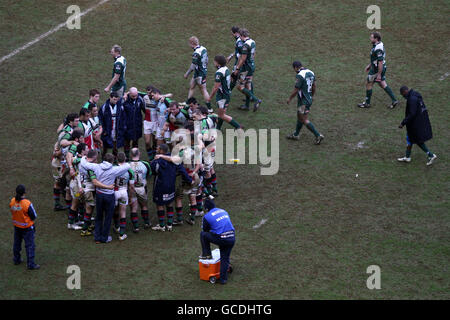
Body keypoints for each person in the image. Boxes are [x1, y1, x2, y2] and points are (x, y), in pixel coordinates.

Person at [80, 153, 132, 243]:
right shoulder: (114, 169)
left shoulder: (96, 167)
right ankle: (104, 237)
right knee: (108, 217)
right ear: (112, 161)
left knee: (99, 216)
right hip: (109, 195)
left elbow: (84, 164)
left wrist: (84, 157)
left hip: (99, 194)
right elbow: (127, 166)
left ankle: (97, 238)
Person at [150, 144, 193, 232]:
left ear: (162, 151)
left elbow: (152, 170)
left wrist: (153, 160)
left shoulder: (157, 161)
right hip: (171, 185)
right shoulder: (174, 159)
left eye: (157, 148)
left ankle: (162, 226)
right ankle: (169, 225)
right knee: (169, 203)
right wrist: (189, 180)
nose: (156, 148)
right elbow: (182, 170)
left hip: (160, 186)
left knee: (160, 205)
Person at [286, 60, 324, 145]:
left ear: (296, 67)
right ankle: (295, 134)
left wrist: (290, 98)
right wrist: (312, 96)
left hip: (303, 101)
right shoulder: (311, 72)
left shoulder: (299, 75)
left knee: (303, 119)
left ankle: (318, 135)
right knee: (300, 116)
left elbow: (296, 90)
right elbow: (314, 86)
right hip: (309, 99)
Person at [358, 32, 399, 109]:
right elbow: (376, 59)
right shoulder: (379, 44)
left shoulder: (378, 49)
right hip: (380, 68)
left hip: (376, 70)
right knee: (382, 84)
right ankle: (394, 100)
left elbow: (380, 62)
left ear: (376, 39)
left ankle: (367, 103)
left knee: (368, 84)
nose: (370, 39)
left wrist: (379, 74)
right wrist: (370, 65)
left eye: (371, 37)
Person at [397, 86, 437, 166]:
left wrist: (403, 123)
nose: (403, 96)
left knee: (417, 140)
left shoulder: (411, 99)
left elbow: (412, 114)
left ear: (405, 92)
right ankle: (407, 157)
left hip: (416, 123)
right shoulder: (416, 94)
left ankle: (431, 155)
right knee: (410, 139)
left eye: (402, 94)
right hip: (420, 120)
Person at [200, 199, 235, 285]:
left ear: (206, 208)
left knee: (203, 235)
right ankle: (223, 279)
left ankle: (206, 254)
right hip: (231, 238)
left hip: (222, 238)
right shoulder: (223, 211)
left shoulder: (207, 216)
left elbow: (205, 230)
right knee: (224, 257)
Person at [207, 55, 243, 131]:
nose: (214, 63)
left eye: (215, 62)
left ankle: (237, 126)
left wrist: (210, 97)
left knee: (221, 115)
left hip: (222, 96)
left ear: (218, 64)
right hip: (226, 94)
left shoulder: (219, 73)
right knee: (221, 113)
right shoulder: (226, 69)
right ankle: (218, 129)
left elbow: (216, 87)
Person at [10, 185, 40, 270]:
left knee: (17, 243)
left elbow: (12, 211)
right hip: (27, 227)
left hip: (17, 226)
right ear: (24, 192)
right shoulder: (27, 203)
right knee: (30, 245)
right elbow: (34, 216)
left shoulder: (12, 201)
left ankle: (16, 259)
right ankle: (31, 264)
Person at [232, 28, 262, 112]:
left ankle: (256, 100)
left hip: (245, 68)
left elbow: (243, 59)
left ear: (241, 36)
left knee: (240, 86)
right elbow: (253, 54)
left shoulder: (245, 45)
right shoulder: (252, 42)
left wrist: (237, 68)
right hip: (251, 66)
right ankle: (247, 106)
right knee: (248, 85)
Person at [184, 36, 212, 112]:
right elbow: (207, 59)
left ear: (192, 43)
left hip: (200, 73)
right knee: (192, 86)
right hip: (200, 72)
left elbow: (193, 66)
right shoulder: (203, 48)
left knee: (203, 90)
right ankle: (187, 103)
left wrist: (187, 73)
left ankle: (209, 108)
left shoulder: (196, 53)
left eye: (189, 43)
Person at [112, 152, 135, 241]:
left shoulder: (113, 168)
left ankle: (116, 226)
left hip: (115, 192)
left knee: (115, 210)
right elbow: (132, 186)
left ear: (117, 159)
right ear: (125, 158)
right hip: (124, 192)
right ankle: (121, 234)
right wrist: (131, 197)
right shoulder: (129, 170)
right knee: (123, 212)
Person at [128, 148, 152, 230]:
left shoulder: (127, 165)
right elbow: (149, 174)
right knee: (144, 205)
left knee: (133, 207)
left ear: (131, 155)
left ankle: (136, 227)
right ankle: (147, 222)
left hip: (132, 188)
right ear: (139, 154)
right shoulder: (145, 164)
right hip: (142, 188)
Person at [98, 91, 127, 159]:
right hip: (107, 129)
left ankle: (114, 160)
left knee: (115, 145)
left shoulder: (120, 107)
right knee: (106, 146)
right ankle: (103, 159)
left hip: (116, 129)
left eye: (117, 99)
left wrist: (123, 128)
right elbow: (100, 119)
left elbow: (123, 118)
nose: (115, 101)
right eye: (114, 99)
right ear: (110, 98)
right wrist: (103, 129)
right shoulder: (104, 107)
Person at [123, 87, 145, 160]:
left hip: (137, 125)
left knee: (135, 142)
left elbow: (144, 110)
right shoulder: (124, 100)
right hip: (127, 125)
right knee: (126, 142)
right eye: (133, 96)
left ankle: (135, 158)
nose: (135, 97)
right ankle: (126, 158)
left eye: (136, 95)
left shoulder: (140, 99)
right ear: (129, 94)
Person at [226, 26, 244, 92]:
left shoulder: (239, 42)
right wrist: (231, 56)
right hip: (241, 62)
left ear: (236, 33)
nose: (231, 35)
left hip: (239, 62)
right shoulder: (239, 40)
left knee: (233, 77)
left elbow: (241, 54)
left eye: (232, 33)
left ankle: (228, 92)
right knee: (247, 79)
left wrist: (237, 67)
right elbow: (238, 51)